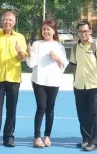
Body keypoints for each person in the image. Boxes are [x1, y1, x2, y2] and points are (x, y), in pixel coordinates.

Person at [0, 11, 28, 148]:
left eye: (10, 20)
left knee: (11, 109)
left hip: (14, 78)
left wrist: (20, 51)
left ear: (14, 22)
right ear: (1, 21)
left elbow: (23, 58)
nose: (7, 22)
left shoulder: (20, 37)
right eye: (5, 19)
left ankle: (9, 137)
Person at [26, 20, 69, 148]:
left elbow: (64, 64)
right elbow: (31, 64)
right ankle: (37, 137)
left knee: (50, 109)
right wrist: (29, 53)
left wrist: (58, 59)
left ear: (54, 31)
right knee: (41, 108)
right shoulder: (36, 44)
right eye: (44, 29)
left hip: (54, 81)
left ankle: (47, 136)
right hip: (39, 81)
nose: (46, 31)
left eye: (48, 29)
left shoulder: (59, 46)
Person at [69, 21, 97, 151]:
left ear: (90, 31)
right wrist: (75, 81)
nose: (83, 34)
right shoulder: (75, 47)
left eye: (85, 31)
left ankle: (95, 142)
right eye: (80, 32)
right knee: (82, 114)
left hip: (94, 86)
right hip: (79, 86)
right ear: (77, 33)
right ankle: (86, 139)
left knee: (95, 114)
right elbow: (74, 66)